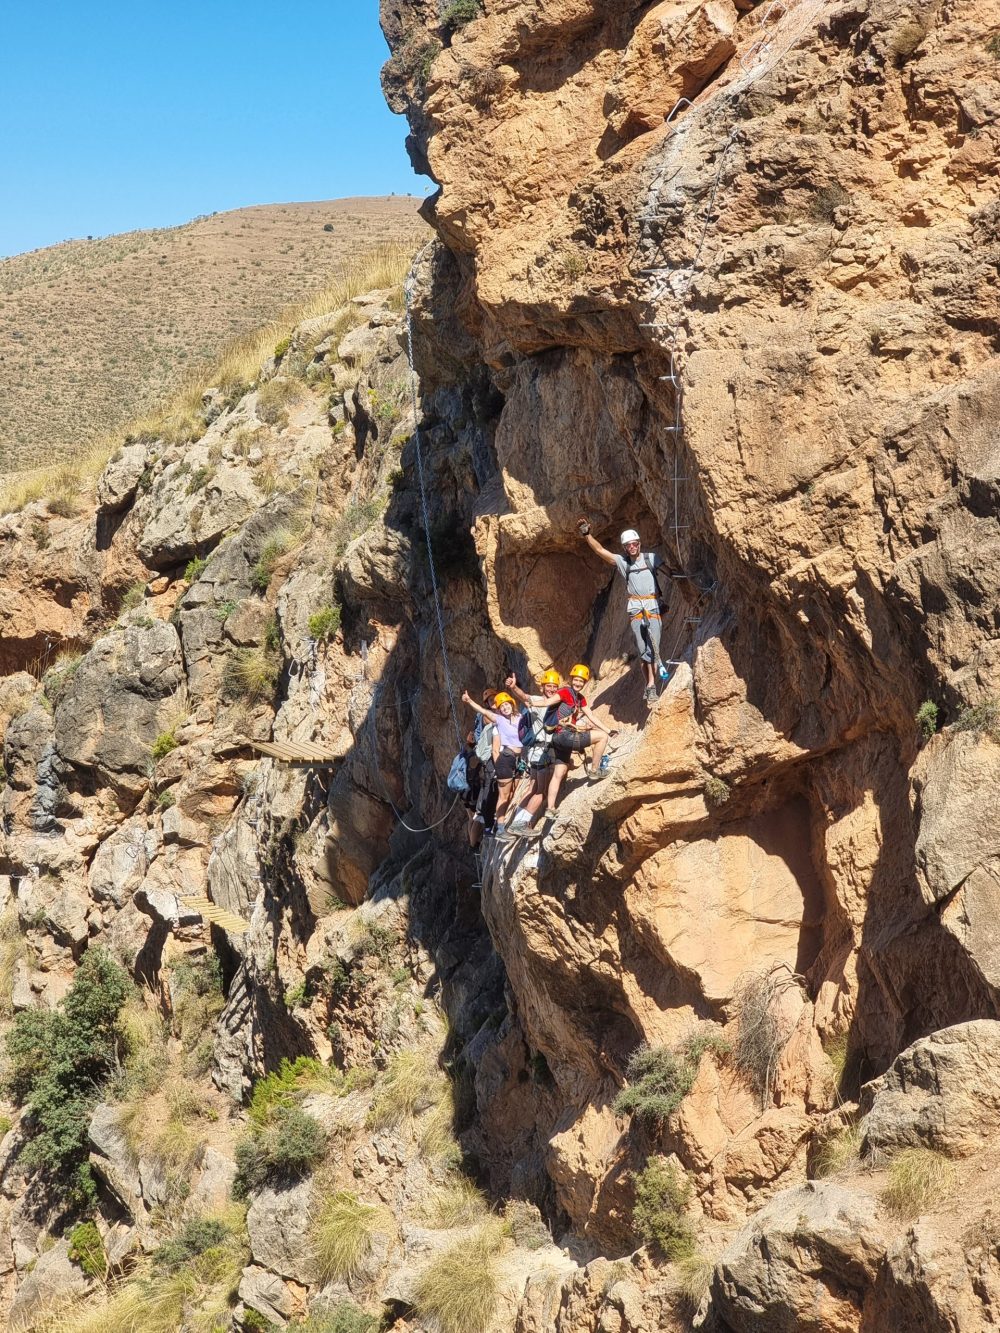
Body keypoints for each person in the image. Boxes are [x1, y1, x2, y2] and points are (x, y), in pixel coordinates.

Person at [577, 520, 671, 703]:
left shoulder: (651, 559)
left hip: (652, 607)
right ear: (625, 548)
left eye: (634, 544)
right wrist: (587, 535)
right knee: (644, 651)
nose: (632, 547)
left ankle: (651, 685)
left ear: (639, 544)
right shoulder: (623, 563)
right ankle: (650, 685)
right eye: (628, 545)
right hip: (636, 610)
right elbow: (600, 551)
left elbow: (671, 573)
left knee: (654, 648)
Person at [540, 664, 617, 826]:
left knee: (559, 773)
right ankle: (595, 770)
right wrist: (531, 702)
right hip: (564, 735)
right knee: (601, 737)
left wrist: (608, 729)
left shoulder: (580, 698)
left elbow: (590, 716)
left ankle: (550, 808)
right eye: (576, 680)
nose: (578, 683)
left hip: (559, 740)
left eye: (582, 681)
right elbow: (548, 702)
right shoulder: (566, 692)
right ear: (571, 679)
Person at [499, 668, 562, 838]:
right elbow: (525, 697)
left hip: (535, 752)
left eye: (554, 686)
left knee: (533, 788)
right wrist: (513, 688)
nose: (552, 689)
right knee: (541, 791)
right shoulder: (537, 701)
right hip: (541, 752)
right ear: (542, 687)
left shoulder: (554, 703)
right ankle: (520, 824)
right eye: (548, 686)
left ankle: (514, 824)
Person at [461, 689, 523, 824]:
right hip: (502, 760)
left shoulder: (518, 717)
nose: (504, 707)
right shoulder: (497, 720)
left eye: (506, 704)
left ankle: (502, 820)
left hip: (515, 759)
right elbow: (483, 712)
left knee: (511, 790)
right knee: (501, 794)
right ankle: (496, 824)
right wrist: (469, 701)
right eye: (492, 701)